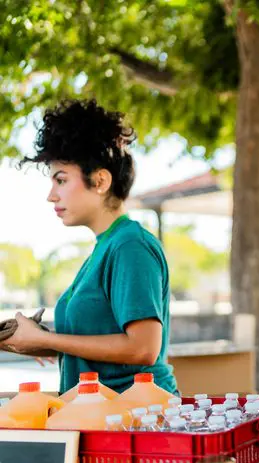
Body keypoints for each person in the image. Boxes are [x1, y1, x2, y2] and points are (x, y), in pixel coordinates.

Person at [2, 99, 177, 395]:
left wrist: (50, 341)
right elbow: (103, 352)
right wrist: (33, 340)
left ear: (99, 181)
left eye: (61, 180)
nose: (51, 195)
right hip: (101, 418)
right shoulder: (105, 247)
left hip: (136, 423)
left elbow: (143, 348)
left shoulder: (130, 246)